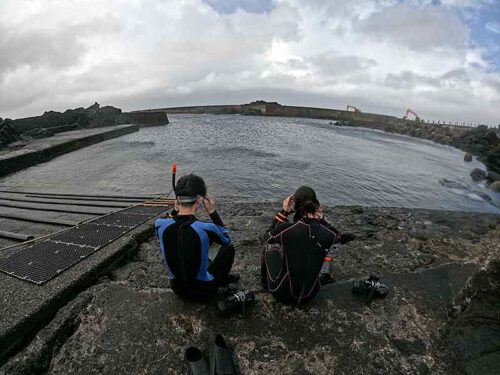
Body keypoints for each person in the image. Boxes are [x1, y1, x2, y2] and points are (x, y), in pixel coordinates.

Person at [260, 186, 353, 305]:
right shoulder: (328, 233)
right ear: (316, 206)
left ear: (295, 204)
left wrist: (284, 212)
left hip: (282, 293)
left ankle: (264, 285)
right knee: (320, 249)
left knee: (269, 247)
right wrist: (322, 220)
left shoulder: (286, 230)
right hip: (311, 294)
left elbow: (265, 239)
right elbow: (339, 236)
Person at [155, 174, 237, 302]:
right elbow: (226, 240)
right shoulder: (206, 228)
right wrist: (213, 213)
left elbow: (171, 224)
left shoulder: (159, 225)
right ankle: (220, 280)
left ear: (178, 200)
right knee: (229, 249)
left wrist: (174, 211)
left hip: (177, 289)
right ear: (199, 200)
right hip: (205, 291)